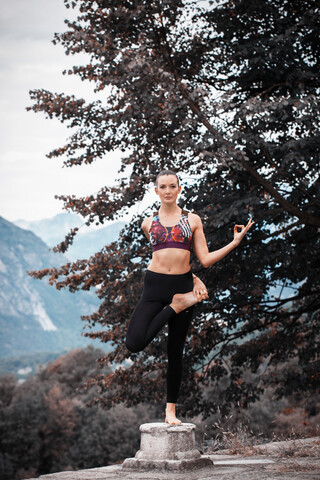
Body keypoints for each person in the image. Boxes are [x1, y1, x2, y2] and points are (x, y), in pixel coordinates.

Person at [125, 169, 254, 425]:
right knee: (134, 342)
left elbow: (203, 259)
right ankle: (175, 307)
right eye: (163, 186)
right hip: (154, 287)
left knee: (175, 351)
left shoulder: (193, 220)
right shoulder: (147, 223)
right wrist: (178, 300)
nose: (168, 190)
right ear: (156, 191)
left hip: (183, 286)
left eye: (173, 186)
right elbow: (161, 255)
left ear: (179, 189)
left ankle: (170, 411)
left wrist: (234, 243)